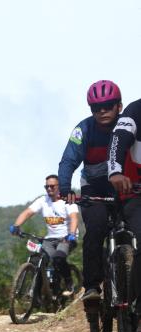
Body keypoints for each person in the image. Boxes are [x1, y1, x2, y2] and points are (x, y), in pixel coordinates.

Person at [59, 80, 123, 301]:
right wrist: (65, 187)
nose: (102, 111)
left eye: (108, 106)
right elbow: (68, 160)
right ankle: (92, 288)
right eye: (96, 107)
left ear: (119, 106)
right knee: (95, 228)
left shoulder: (129, 125)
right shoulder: (83, 129)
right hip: (93, 187)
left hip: (124, 185)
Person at [10, 175, 79, 296]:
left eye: (52, 186)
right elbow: (27, 212)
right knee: (38, 260)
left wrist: (72, 234)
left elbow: (74, 218)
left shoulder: (67, 200)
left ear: (59, 187)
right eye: (46, 186)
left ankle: (69, 282)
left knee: (58, 258)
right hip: (50, 239)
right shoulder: (43, 200)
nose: (49, 189)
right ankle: (36, 296)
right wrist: (16, 226)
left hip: (66, 238)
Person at [107, 95, 141, 306]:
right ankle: (138, 306)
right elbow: (118, 140)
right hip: (134, 193)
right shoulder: (135, 110)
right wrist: (115, 172)